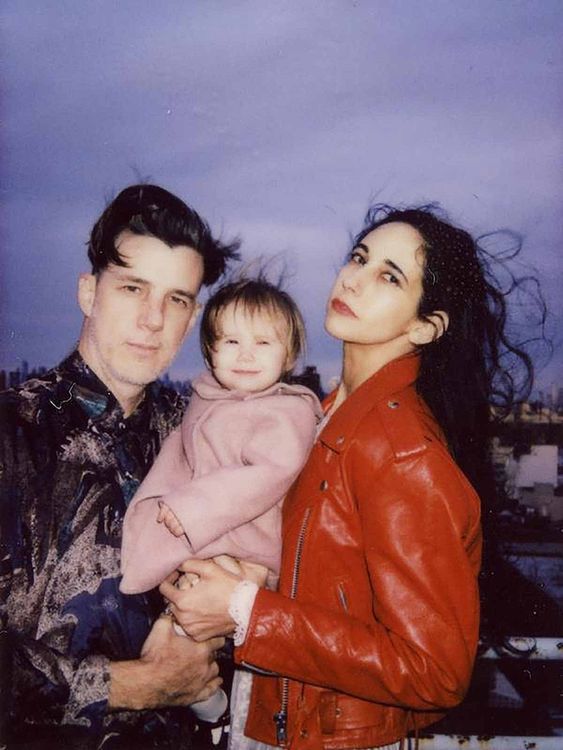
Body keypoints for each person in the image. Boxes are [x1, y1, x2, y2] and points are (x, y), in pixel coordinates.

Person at [159, 205, 534, 749]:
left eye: (389, 276)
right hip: (280, 714)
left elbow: (436, 670)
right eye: (359, 258)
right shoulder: (323, 414)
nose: (353, 279)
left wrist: (245, 610)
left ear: (426, 325)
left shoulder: (401, 453)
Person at [0, 183, 239, 750]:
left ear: (193, 318)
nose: (153, 319)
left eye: (176, 299)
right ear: (89, 292)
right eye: (133, 288)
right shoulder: (14, 434)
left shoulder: (206, 436)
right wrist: (133, 685)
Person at [119, 277, 322, 742]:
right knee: (177, 614)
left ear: (289, 356)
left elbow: (270, 471)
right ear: (211, 352)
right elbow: (181, 455)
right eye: (231, 341)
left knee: (191, 611)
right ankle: (203, 691)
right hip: (212, 532)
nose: (246, 355)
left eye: (263, 343)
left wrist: (190, 506)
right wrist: (159, 502)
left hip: (248, 540)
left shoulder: (286, 410)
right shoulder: (207, 398)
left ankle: (204, 694)